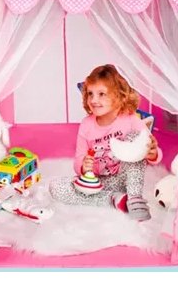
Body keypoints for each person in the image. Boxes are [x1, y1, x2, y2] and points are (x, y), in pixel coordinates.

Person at [49, 64, 161, 221]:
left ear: (120, 96)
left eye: (101, 94)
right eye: (90, 94)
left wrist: (153, 153)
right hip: (99, 183)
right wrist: (84, 166)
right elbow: (79, 160)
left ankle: (134, 199)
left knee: (136, 138)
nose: (94, 100)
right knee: (56, 187)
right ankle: (113, 199)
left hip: (126, 178)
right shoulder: (86, 125)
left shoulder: (131, 120)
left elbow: (151, 149)